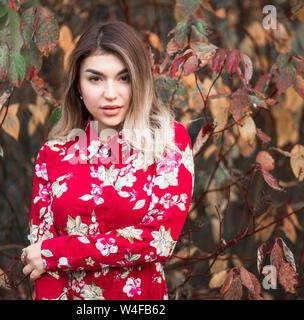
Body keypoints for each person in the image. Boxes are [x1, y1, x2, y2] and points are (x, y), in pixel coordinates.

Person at [21, 21, 195, 300]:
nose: (110, 93)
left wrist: (60, 252)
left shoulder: (168, 141)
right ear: (78, 84)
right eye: (95, 78)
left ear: (139, 81)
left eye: (123, 77)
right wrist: (50, 255)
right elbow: (39, 259)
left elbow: (157, 242)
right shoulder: (53, 154)